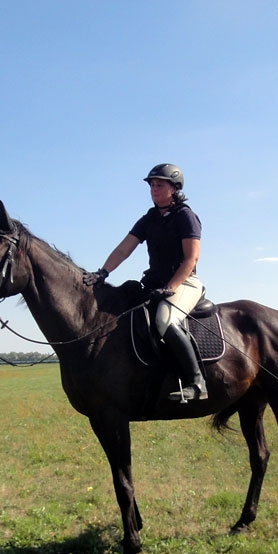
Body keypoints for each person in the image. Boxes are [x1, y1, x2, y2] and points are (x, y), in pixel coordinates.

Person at [83, 163, 208, 401]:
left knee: (164, 320)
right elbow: (124, 249)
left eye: (159, 185)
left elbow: (191, 258)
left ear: (174, 188)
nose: (153, 189)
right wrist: (102, 273)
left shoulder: (185, 216)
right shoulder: (149, 218)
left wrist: (169, 288)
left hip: (184, 282)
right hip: (155, 285)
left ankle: (197, 382)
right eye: (151, 185)